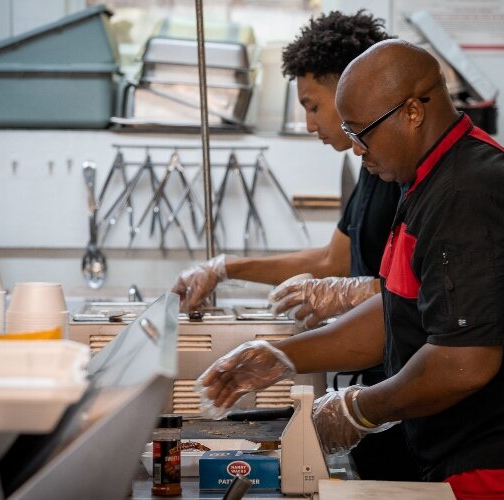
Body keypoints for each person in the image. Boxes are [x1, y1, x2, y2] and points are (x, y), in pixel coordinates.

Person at [196, 39, 504, 499]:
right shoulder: (426, 179)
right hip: (486, 450)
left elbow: (462, 364)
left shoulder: (468, 194)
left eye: (362, 133)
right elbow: (398, 316)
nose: (356, 148)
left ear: (413, 112)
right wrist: (283, 355)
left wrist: (357, 409)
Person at [172, 11, 419, 481]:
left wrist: (351, 296)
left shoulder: (404, 170)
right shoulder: (366, 169)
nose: (309, 125)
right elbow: (333, 260)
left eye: (312, 105)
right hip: (378, 382)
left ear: (352, 88)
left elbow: (426, 297)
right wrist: (226, 267)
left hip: (406, 387)